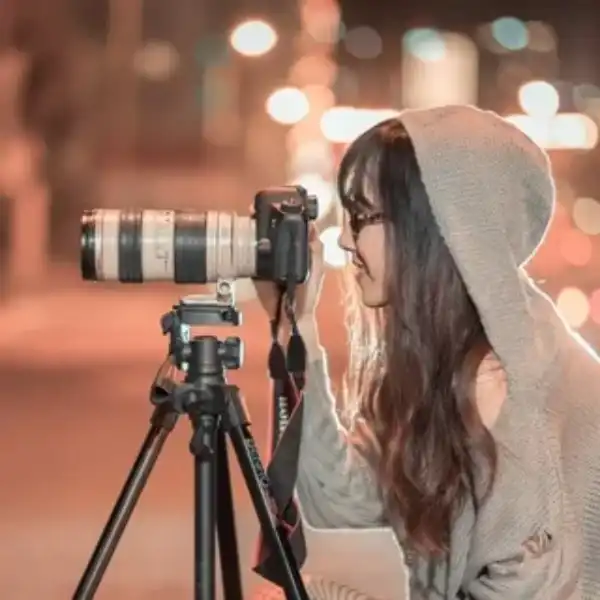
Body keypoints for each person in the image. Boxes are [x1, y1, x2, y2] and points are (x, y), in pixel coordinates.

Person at [255, 105, 600, 599]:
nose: (346, 240)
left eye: (363, 217)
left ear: (440, 228)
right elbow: (339, 501)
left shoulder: (511, 389)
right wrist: (298, 326)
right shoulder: (448, 364)